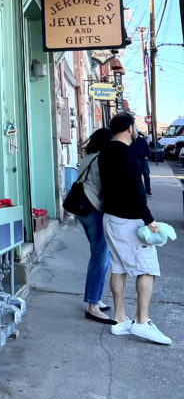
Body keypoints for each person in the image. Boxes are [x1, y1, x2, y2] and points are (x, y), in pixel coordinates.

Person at [98, 112, 170, 344]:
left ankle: (119, 321)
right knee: (147, 269)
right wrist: (149, 220)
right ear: (129, 128)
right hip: (128, 220)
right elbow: (135, 189)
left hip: (110, 216)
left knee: (118, 268)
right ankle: (141, 321)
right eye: (135, 126)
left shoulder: (106, 151)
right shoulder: (125, 151)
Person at [75, 127, 114, 324]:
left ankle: (96, 299)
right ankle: (92, 305)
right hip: (94, 210)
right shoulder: (102, 159)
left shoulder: (88, 157)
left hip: (83, 211)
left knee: (100, 254)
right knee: (100, 256)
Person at [131, 128, 152, 194]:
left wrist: (147, 155)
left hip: (143, 159)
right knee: (138, 176)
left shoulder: (142, 140)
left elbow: (147, 149)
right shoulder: (130, 141)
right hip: (135, 160)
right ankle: (140, 190)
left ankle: (148, 190)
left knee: (146, 175)